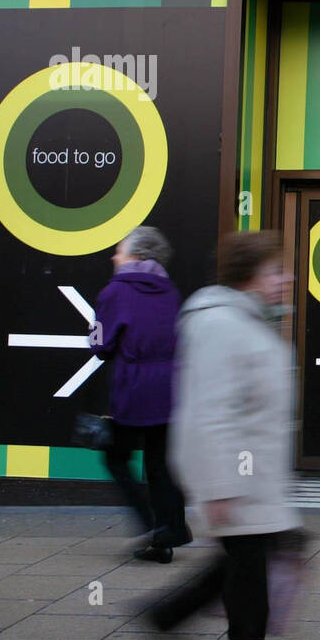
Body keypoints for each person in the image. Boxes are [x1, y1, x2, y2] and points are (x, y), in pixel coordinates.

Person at [157, 231, 302, 640]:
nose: (285, 280)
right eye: (276, 271)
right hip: (238, 486)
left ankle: (166, 616)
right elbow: (210, 412)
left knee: (240, 572)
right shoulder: (220, 323)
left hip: (256, 485)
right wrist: (220, 487)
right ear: (248, 275)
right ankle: (167, 616)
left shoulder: (248, 321)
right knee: (250, 600)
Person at [90, 226, 191, 563]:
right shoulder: (170, 291)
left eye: (119, 250)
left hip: (133, 388)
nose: (113, 256)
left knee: (115, 456)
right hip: (169, 387)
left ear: (134, 255)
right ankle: (168, 533)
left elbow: (100, 344)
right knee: (159, 462)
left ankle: (150, 525)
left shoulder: (114, 292)